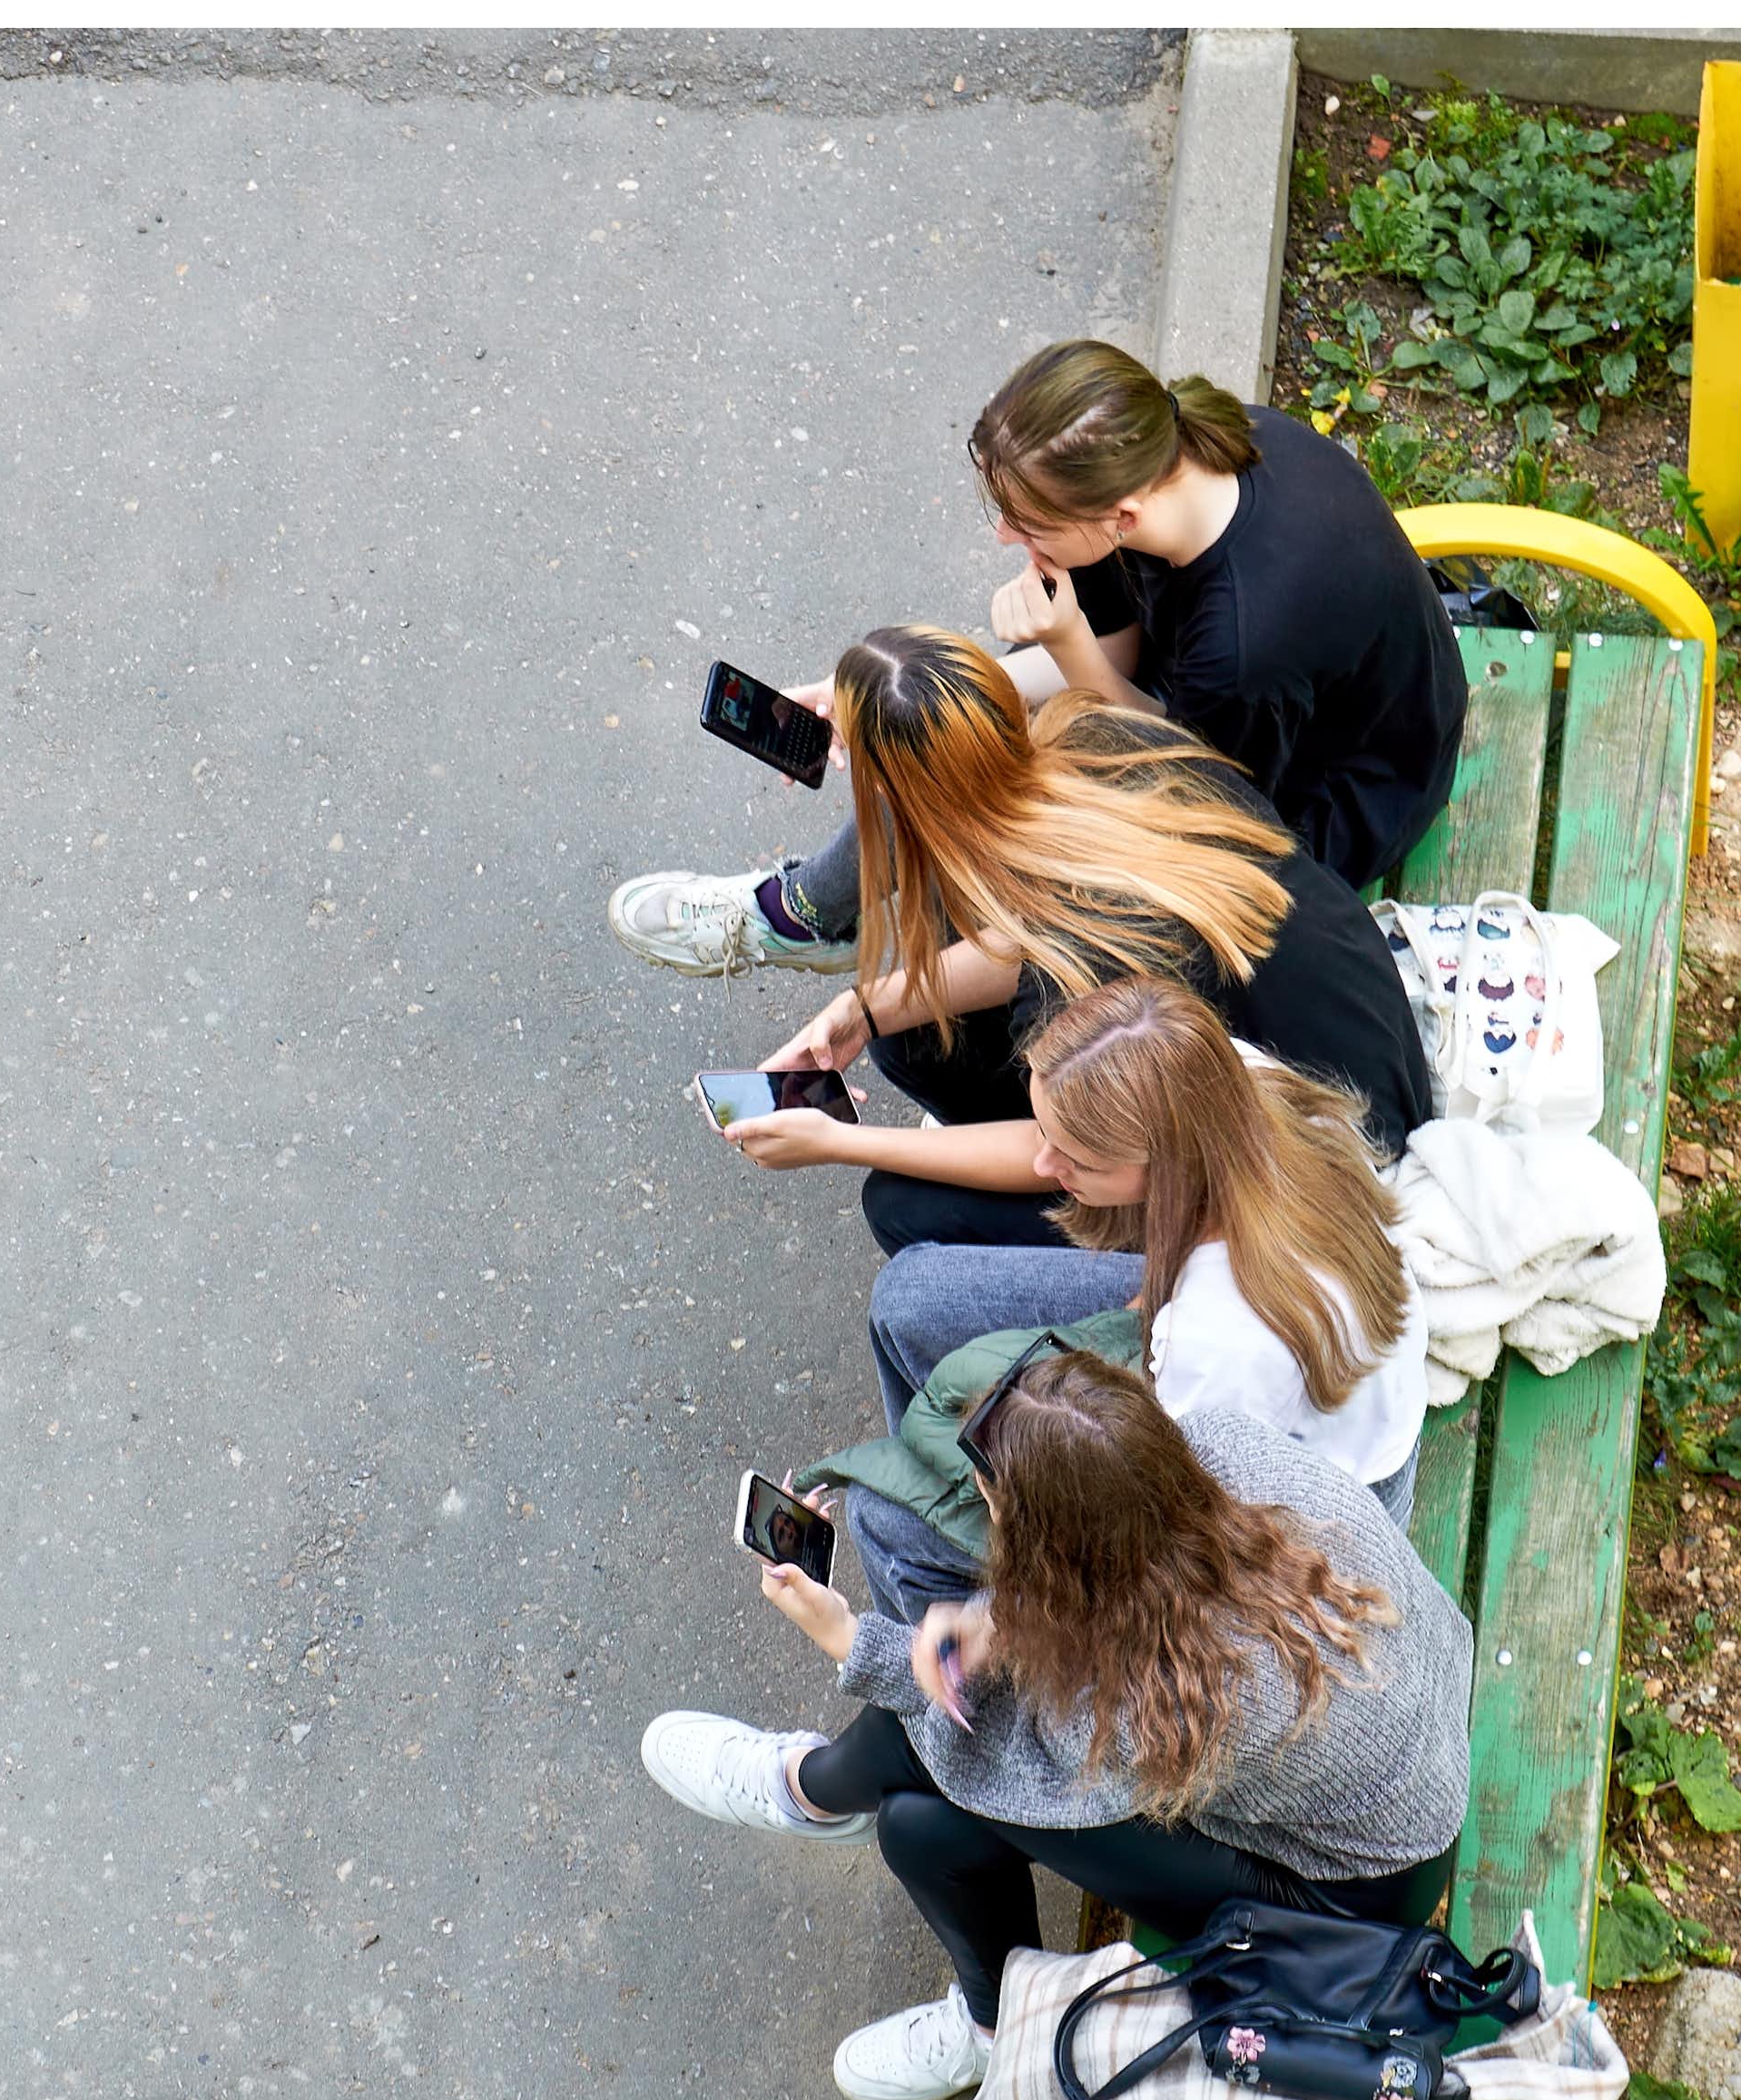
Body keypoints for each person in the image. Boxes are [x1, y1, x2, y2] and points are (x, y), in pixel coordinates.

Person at [641, 1349, 1471, 2100]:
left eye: (995, 1505)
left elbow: (1003, 1757)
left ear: (1056, 1549)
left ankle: (817, 1802)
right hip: (1416, 1732)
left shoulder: (1172, 1700)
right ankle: (854, 1842)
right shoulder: (1216, 1450)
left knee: (930, 1793)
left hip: (1345, 1895)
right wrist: (986, 1622)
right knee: (917, 1822)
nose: (986, 1514)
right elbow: (1118, 1583)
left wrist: (851, 1640)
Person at [607, 339, 1464, 976]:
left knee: (992, 790)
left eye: (1028, 523)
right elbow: (1126, 638)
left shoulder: (1246, 645)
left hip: (1322, 795)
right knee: (935, 723)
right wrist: (901, 701)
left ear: (1118, 517)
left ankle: (807, 918)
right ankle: (818, 909)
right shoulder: (1189, 456)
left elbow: (1195, 779)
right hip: (1252, 706)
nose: (1006, 536)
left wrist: (1059, 649)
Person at [709, 626, 1430, 1254]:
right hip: (1361, 1025)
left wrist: (840, 1144)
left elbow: (1055, 1152)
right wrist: (865, 1009)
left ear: (900, 808)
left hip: (1330, 1147)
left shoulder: (1081, 961)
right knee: (913, 1026)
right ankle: (1015, 1108)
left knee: (904, 1208)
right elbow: (1040, 938)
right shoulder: (1096, 733)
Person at [848, 979, 1427, 1644]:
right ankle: (931, 1470)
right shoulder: (1228, 1080)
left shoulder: (1219, 1343)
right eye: (1047, 1131)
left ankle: (968, 1699)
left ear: (1162, 1164)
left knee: (881, 1516)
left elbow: (1167, 1547)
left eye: (1075, 1157)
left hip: (1308, 1525)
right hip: (1257, 1389)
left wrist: (1014, 1515)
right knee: (907, 1297)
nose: (1044, 1162)